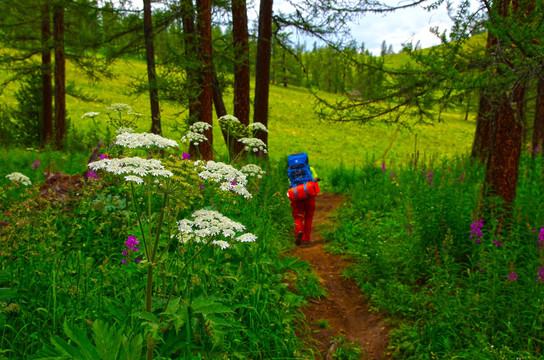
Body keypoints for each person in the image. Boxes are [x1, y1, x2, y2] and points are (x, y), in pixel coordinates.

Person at [287, 155, 320, 245]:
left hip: (297, 196)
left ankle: (299, 231)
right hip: (309, 196)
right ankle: (306, 238)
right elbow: (315, 179)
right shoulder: (310, 169)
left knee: (298, 216)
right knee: (308, 217)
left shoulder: (290, 171)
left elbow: (290, 183)